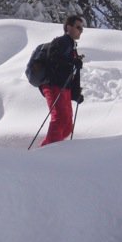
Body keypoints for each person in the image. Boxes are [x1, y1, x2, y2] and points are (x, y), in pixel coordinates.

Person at [39, 15, 85, 146]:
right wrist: (73, 62)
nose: (81, 30)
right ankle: (46, 153)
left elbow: (73, 73)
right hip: (53, 85)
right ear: (68, 27)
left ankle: (49, 149)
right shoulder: (62, 42)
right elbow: (54, 58)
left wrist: (76, 94)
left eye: (82, 28)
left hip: (64, 88)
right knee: (59, 119)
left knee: (67, 125)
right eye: (78, 27)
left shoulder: (72, 47)